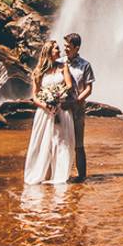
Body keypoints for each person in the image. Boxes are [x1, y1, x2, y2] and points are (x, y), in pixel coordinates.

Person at [23, 40, 74, 185]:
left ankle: (60, 175)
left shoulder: (63, 67)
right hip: (44, 113)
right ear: (49, 52)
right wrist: (46, 105)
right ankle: (42, 174)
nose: (59, 51)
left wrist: (58, 97)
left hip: (61, 110)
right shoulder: (38, 72)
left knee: (61, 142)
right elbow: (34, 95)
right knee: (43, 142)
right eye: (57, 49)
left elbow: (69, 85)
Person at [62, 32, 95, 182]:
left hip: (77, 110)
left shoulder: (85, 65)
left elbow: (89, 89)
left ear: (77, 47)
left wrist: (75, 101)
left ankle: (81, 177)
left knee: (78, 144)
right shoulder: (59, 62)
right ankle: (60, 174)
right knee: (59, 142)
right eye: (64, 46)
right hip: (61, 109)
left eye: (68, 46)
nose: (65, 49)